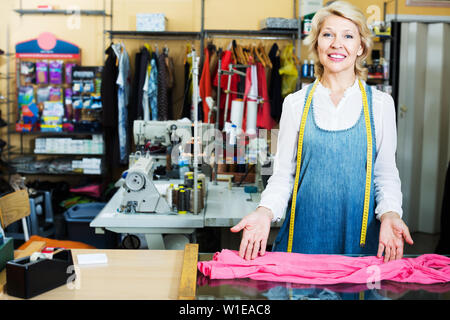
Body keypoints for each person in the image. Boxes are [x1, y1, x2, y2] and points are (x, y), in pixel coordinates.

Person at [231, 1, 413, 262]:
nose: (337, 44)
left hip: (359, 245)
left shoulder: (381, 105)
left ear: (360, 46)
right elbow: (283, 175)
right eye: (328, 34)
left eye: (348, 36)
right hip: (302, 241)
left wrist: (391, 214)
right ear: (317, 44)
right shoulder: (295, 104)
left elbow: (385, 175)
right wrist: (264, 211)